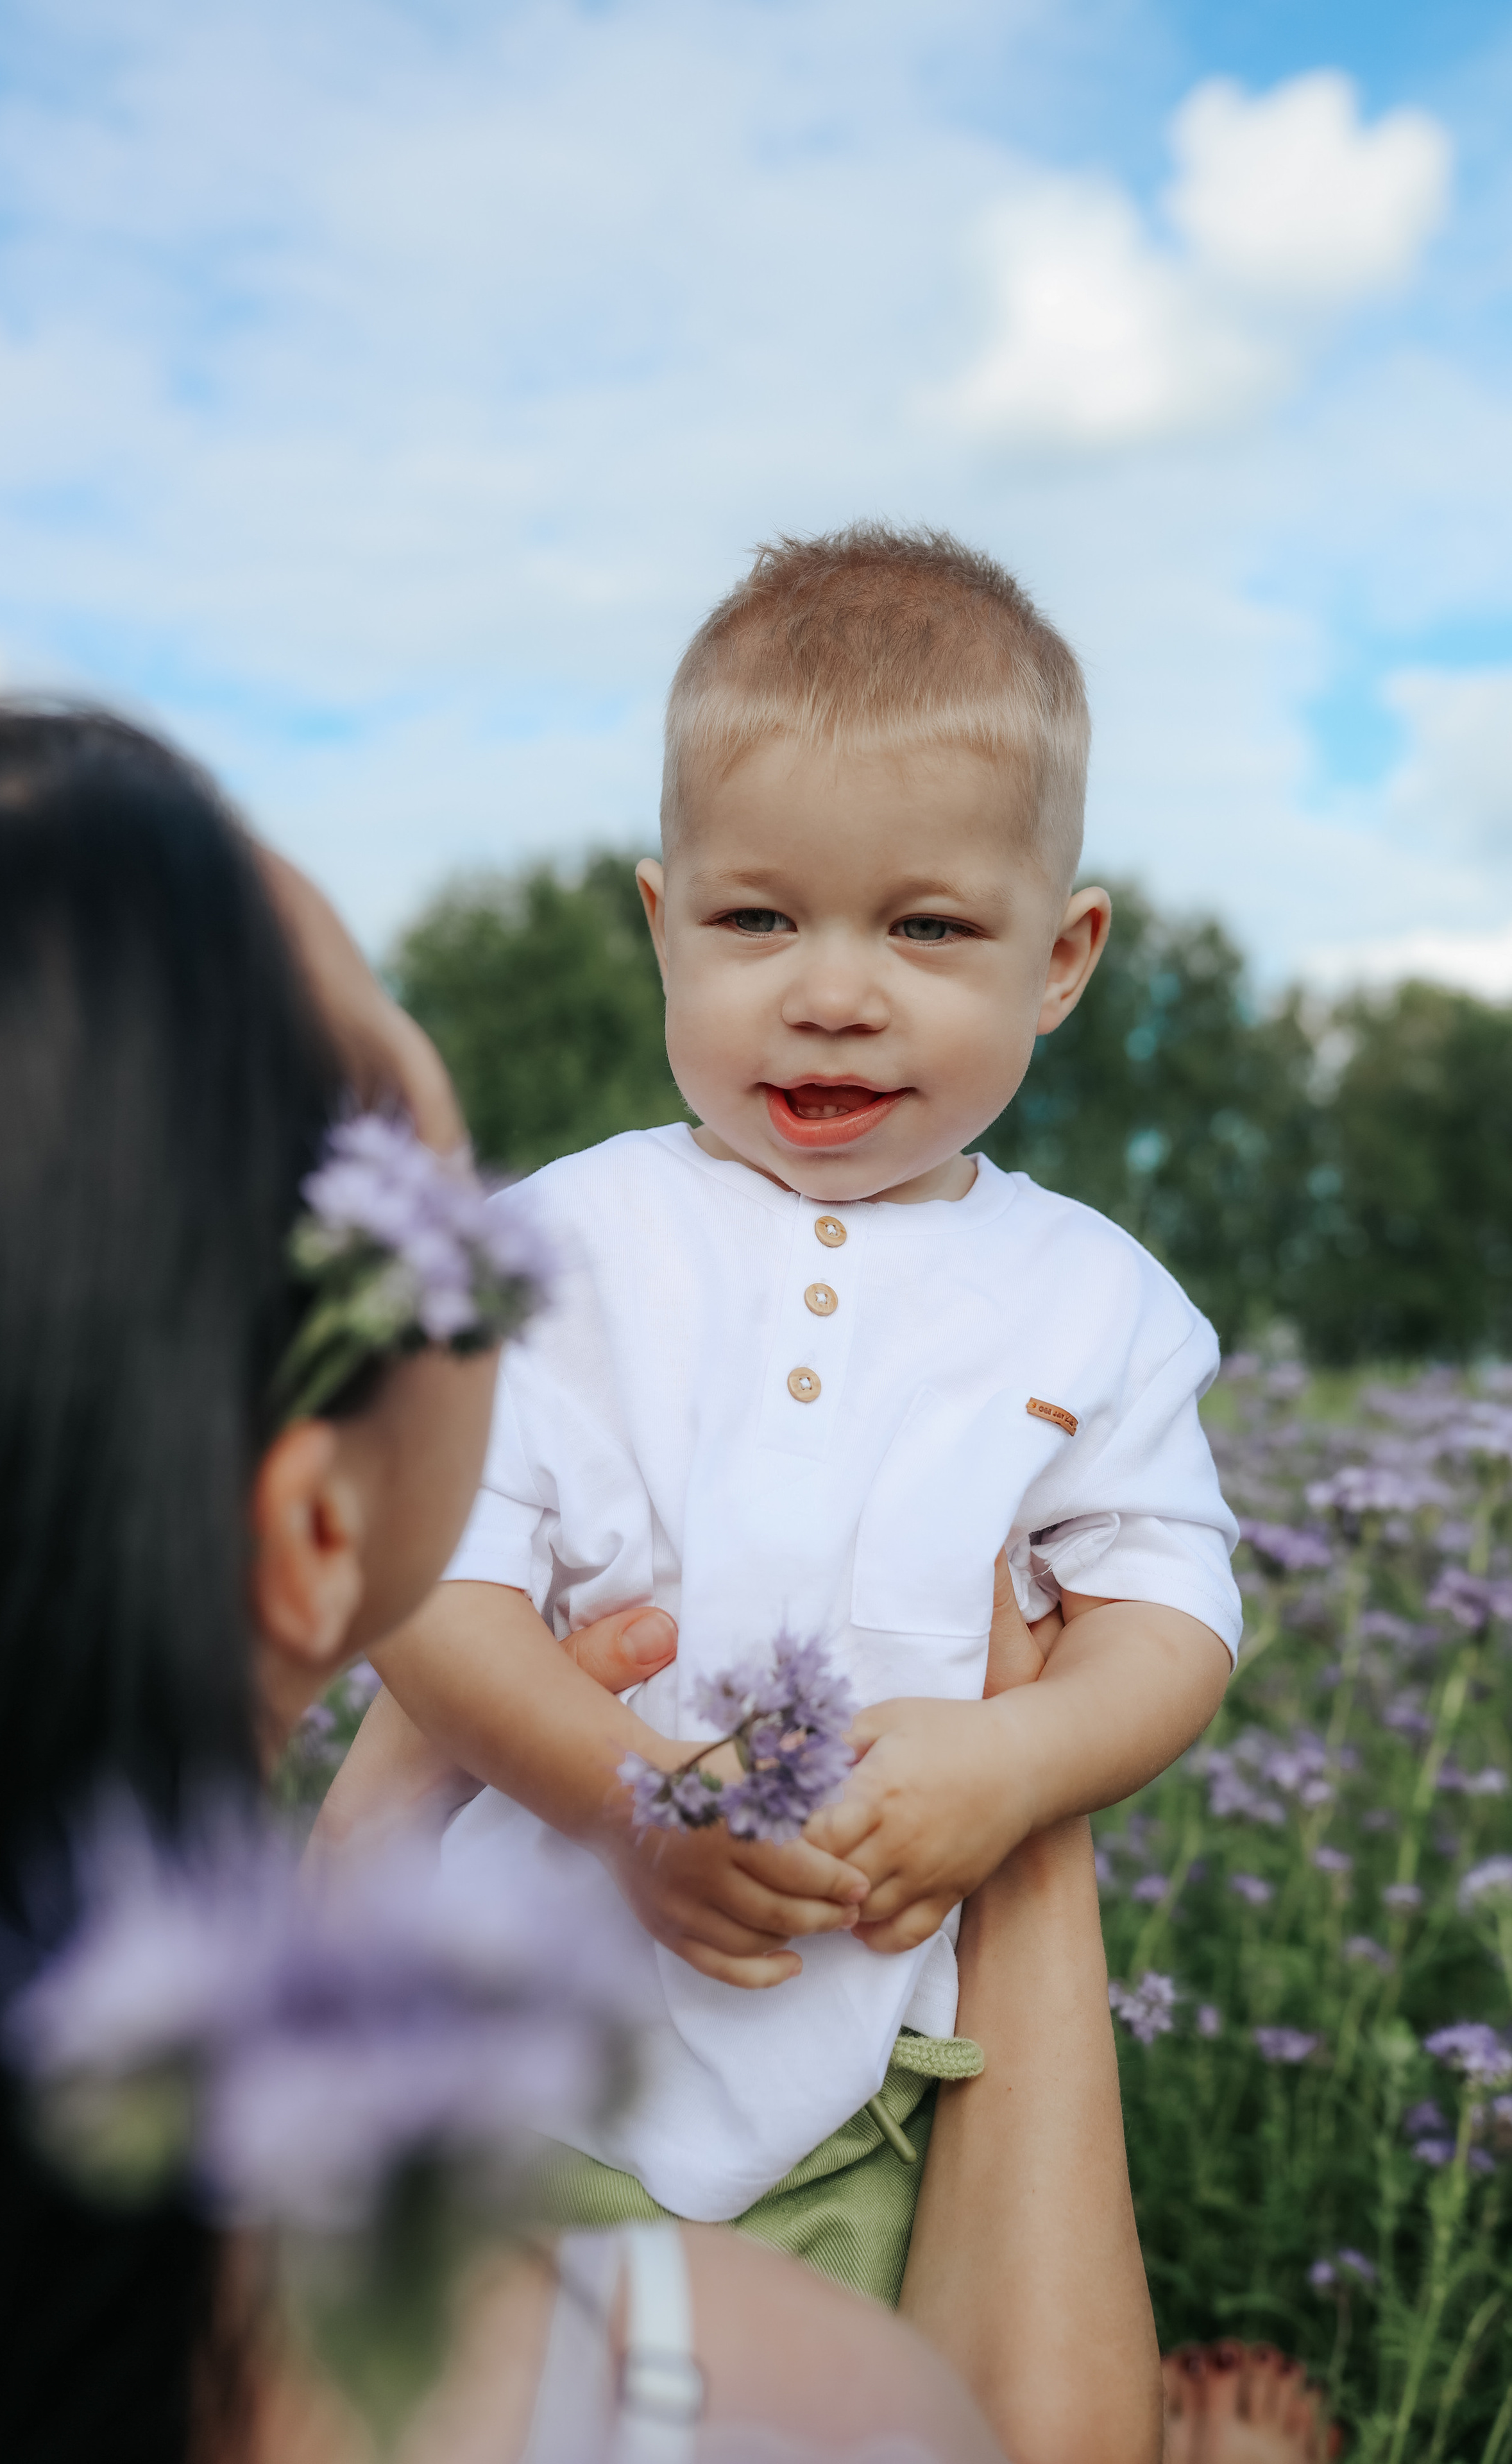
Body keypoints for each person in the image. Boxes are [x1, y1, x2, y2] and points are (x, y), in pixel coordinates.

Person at [0, 704, 1159, 2463]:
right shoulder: (701, 2385)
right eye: (437, 1195)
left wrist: (411, 1782)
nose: (834, 994)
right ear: (319, 1538)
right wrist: (1028, 1781)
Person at [321, 524, 1241, 2300]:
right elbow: (437, 1588)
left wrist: (1017, 1760)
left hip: (866, 2119)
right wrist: (625, 1803)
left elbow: (1171, 1616)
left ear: (1059, 960)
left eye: (927, 926)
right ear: (664, 927)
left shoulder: (1097, 1297)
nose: (833, 990)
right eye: (758, 919)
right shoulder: (561, 1244)